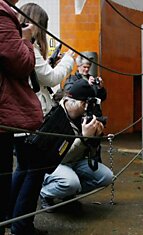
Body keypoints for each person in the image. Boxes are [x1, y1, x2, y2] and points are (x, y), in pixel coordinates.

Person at [8, 3, 75, 234]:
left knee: (23, 170)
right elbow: (51, 78)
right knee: (34, 173)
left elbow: (37, 76)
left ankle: (12, 218)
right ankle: (22, 225)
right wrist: (69, 60)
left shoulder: (16, 44)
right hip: (30, 119)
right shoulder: (26, 45)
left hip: (16, 120)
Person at [0, 1, 43, 234]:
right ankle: (20, 224)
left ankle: (16, 222)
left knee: (22, 169)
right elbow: (24, 64)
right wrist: (25, 38)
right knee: (29, 168)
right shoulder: (2, 13)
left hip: (12, 116)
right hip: (10, 114)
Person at [39, 79, 113, 212]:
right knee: (71, 183)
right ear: (79, 103)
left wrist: (94, 138)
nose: (87, 108)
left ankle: (67, 195)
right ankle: (45, 193)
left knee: (107, 177)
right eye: (86, 104)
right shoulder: (55, 116)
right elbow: (59, 156)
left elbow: (91, 153)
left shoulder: (84, 115)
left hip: (76, 161)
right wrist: (83, 139)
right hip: (54, 164)